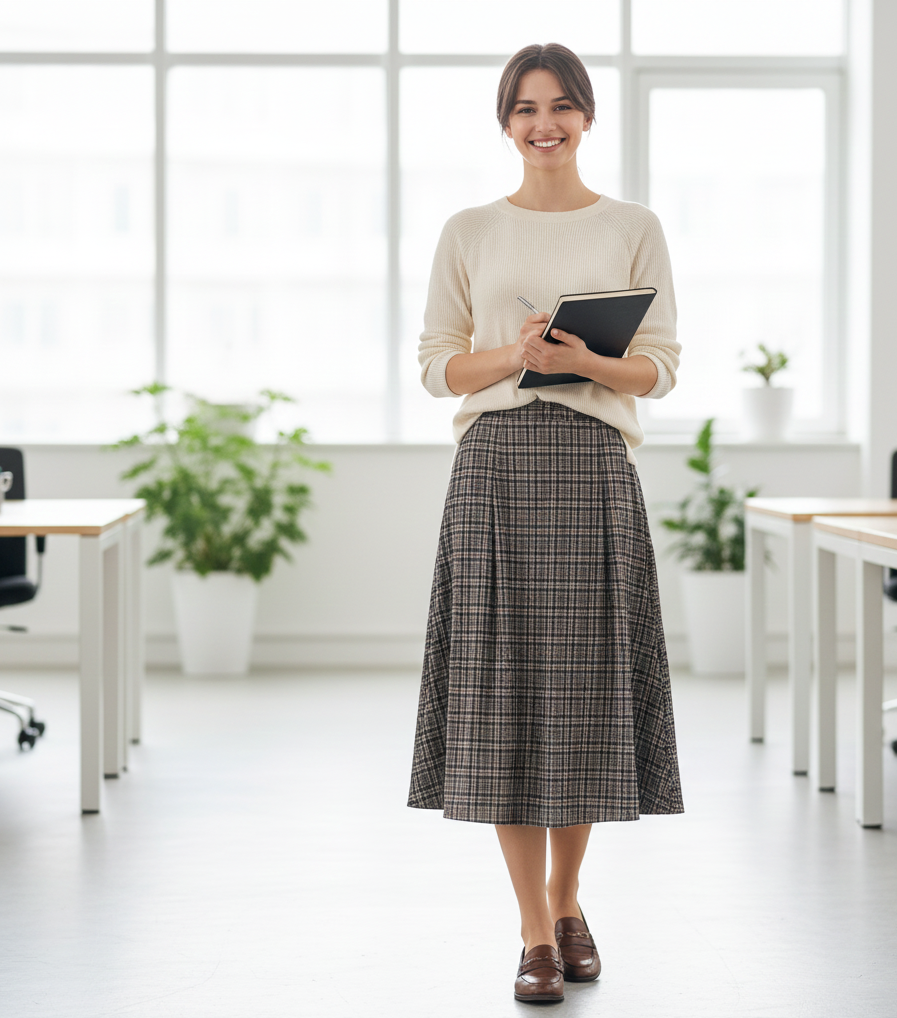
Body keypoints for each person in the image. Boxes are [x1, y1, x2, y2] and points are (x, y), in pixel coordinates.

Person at [407, 42, 684, 1004]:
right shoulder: (468, 230)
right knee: (500, 700)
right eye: (524, 109)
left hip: (592, 469)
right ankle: (531, 929)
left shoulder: (633, 226)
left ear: (587, 117)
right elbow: (437, 365)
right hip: (493, 473)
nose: (543, 124)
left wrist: (587, 360)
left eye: (560, 106)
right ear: (504, 123)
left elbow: (660, 367)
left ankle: (569, 902)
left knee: (584, 698)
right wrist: (515, 354)